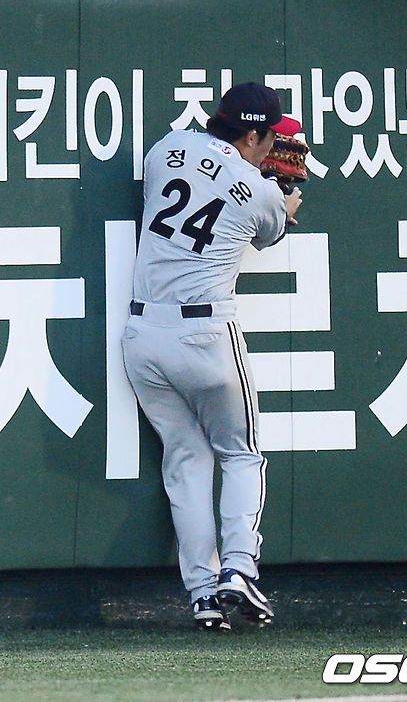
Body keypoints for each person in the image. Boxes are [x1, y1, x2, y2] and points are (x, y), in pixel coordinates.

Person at [122, 82, 303, 630]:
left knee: (185, 459)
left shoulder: (167, 147)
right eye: (270, 138)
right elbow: (271, 228)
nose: (273, 147)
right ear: (251, 136)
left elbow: (204, 179)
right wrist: (284, 199)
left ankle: (202, 593)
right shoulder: (261, 191)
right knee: (241, 454)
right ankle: (239, 569)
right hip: (205, 336)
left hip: (143, 336)